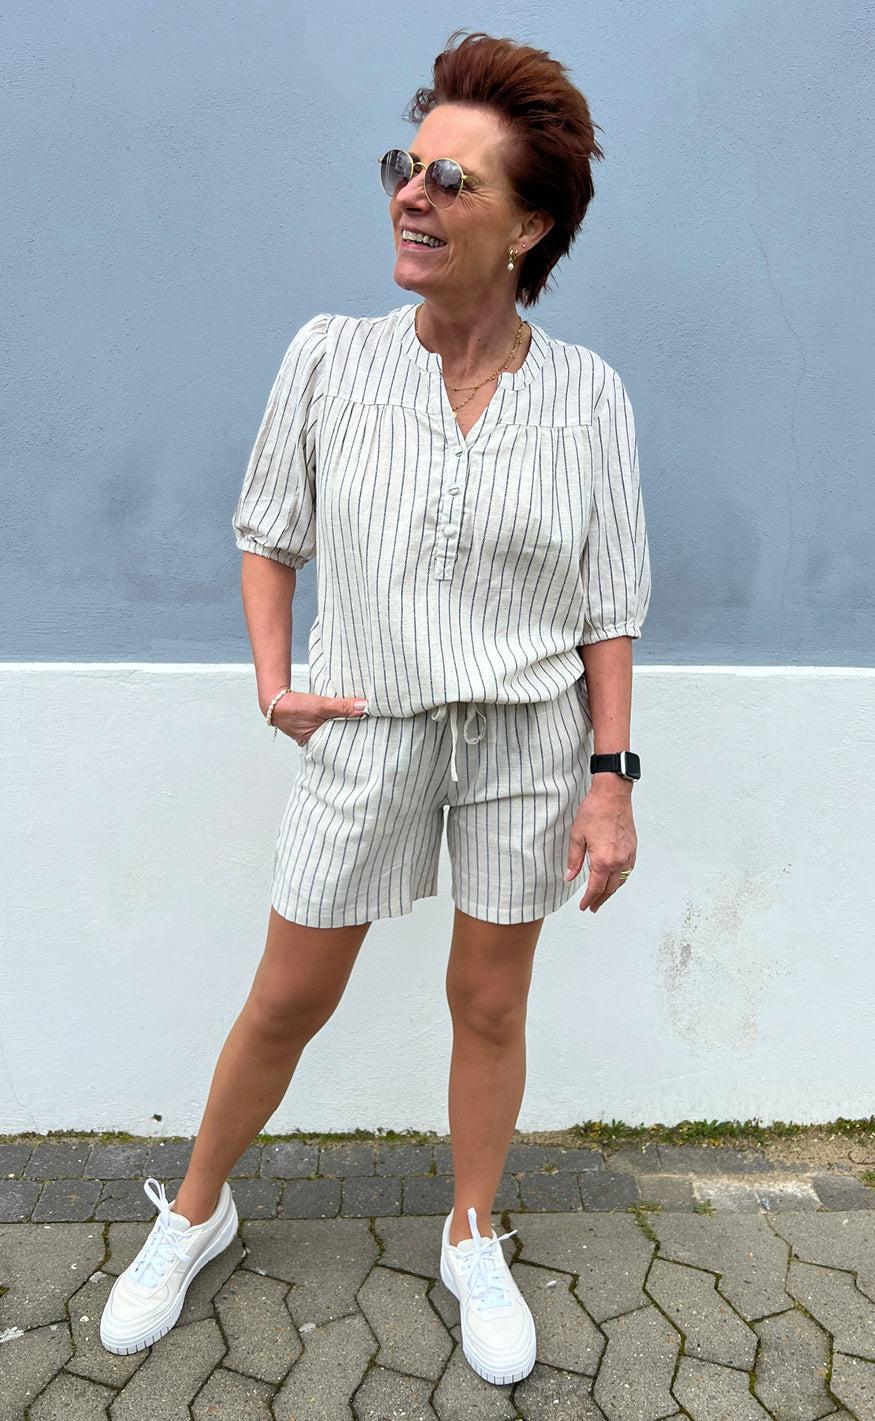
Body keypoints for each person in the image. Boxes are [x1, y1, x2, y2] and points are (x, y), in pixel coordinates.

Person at [101, 28, 651, 1387]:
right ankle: (195, 1212)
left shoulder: (588, 396)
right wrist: (272, 680)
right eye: (407, 165)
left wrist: (612, 775)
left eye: (453, 181)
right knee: (290, 994)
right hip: (369, 724)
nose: (413, 193)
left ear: (528, 227)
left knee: (490, 1001)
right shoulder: (330, 358)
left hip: (525, 737)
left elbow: (610, 601)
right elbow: (267, 530)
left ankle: (470, 1231)